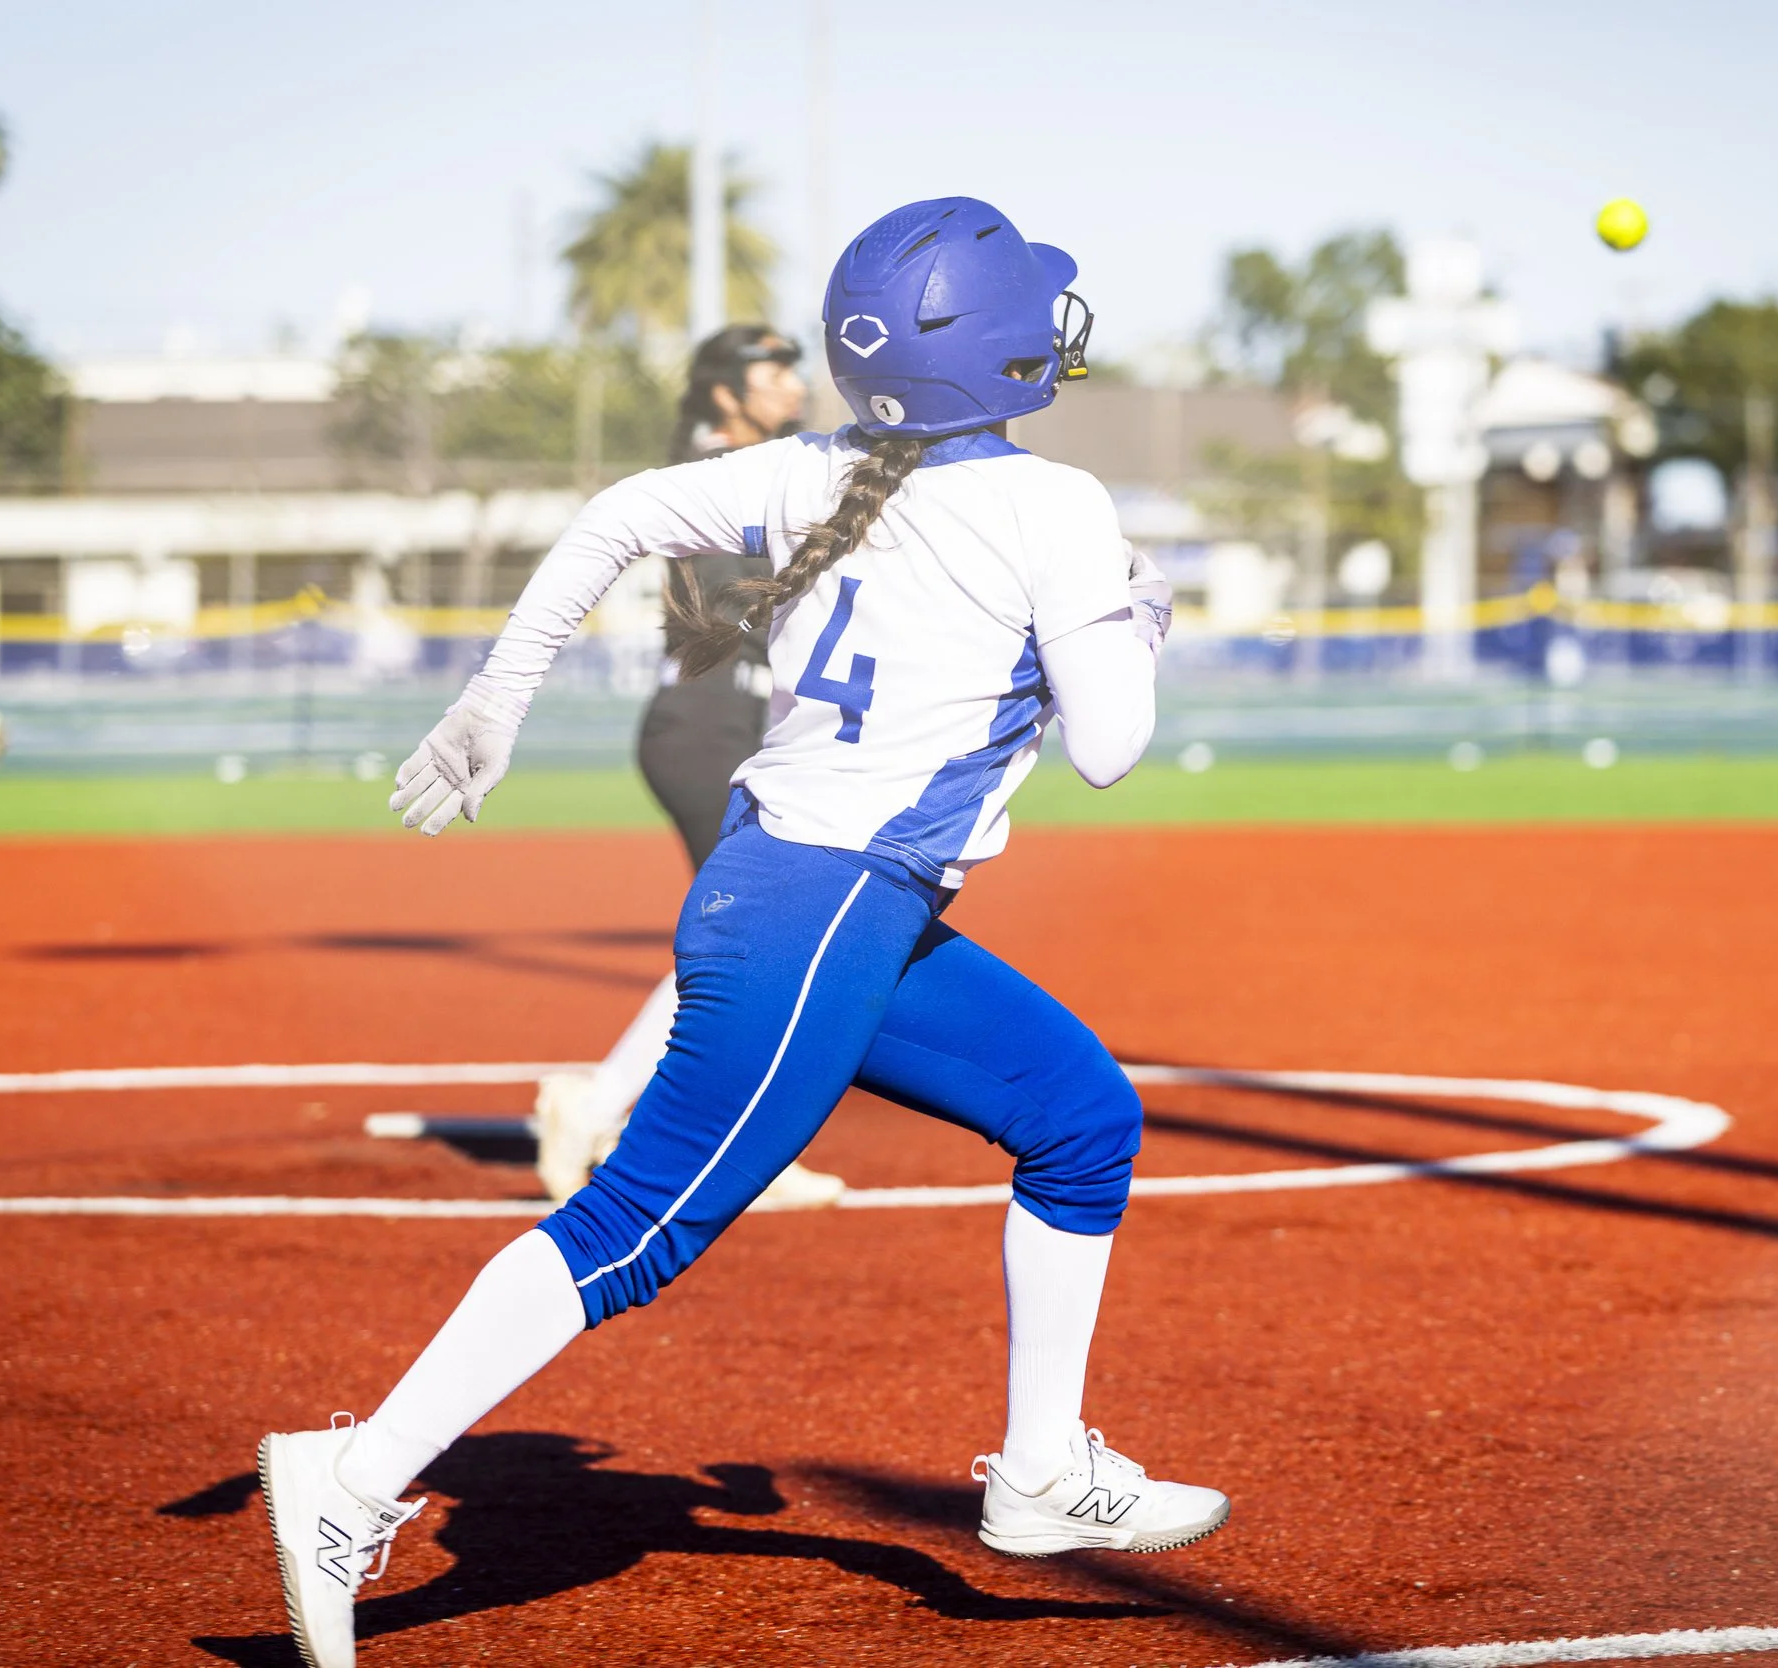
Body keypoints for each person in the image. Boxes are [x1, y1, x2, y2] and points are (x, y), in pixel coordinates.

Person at [258, 196, 1214, 1668]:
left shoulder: (821, 465)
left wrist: (497, 695)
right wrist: (1138, 615)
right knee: (633, 1230)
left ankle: (1038, 1472)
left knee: (1080, 1117)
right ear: (1002, 350)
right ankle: (356, 1477)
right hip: (828, 908)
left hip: (811, 891)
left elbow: (615, 516)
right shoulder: (1051, 506)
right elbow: (1110, 749)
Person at [531, 324, 844, 1211]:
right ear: (722, 392)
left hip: (735, 718)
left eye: (790, 366)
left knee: (759, 932)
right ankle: (598, 1107)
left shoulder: (769, 466)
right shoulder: (715, 470)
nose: (790, 382)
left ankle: (663, 1119)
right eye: (769, 370)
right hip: (706, 722)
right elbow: (740, 596)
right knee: (756, 930)